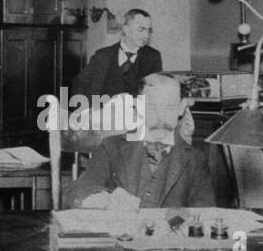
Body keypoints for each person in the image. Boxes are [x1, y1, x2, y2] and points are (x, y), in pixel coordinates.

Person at [65, 73, 214, 210]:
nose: (160, 118)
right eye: (151, 107)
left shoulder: (196, 159)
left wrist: (171, 222)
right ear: (138, 106)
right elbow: (79, 190)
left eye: (169, 107)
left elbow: (203, 211)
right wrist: (107, 200)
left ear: (181, 107)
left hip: (166, 237)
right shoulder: (111, 147)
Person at [72, 9, 163, 100]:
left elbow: (154, 94)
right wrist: (88, 111)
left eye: (149, 30)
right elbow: (80, 85)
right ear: (126, 29)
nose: (146, 35)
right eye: (141, 29)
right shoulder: (102, 55)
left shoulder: (152, 57)